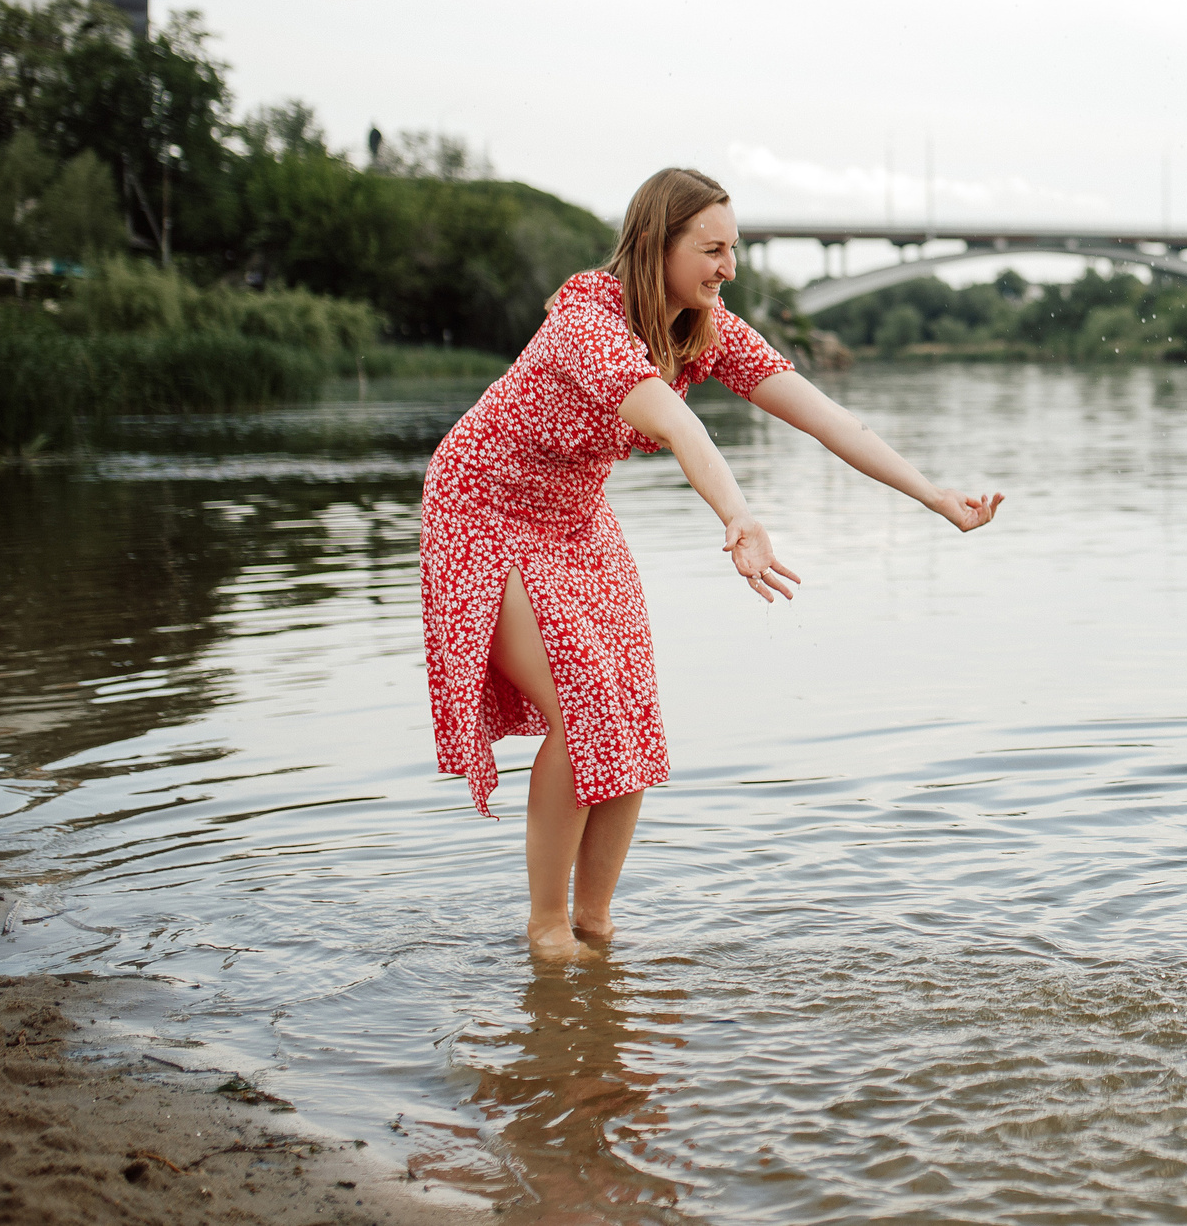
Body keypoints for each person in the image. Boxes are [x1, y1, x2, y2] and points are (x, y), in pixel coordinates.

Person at [418, 166, 1002, 961]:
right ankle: (547, 926)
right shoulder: (586, 323)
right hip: (485, 510)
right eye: (712, 248)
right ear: (657, 243)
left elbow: (826, 418)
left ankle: (595, 922)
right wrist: (740, 517)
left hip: (576, 518)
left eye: (736, 249)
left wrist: (934, 495)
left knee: (630, 711)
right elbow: (680, 426)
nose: (729, 267)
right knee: (583, 695)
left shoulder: (704, 325)